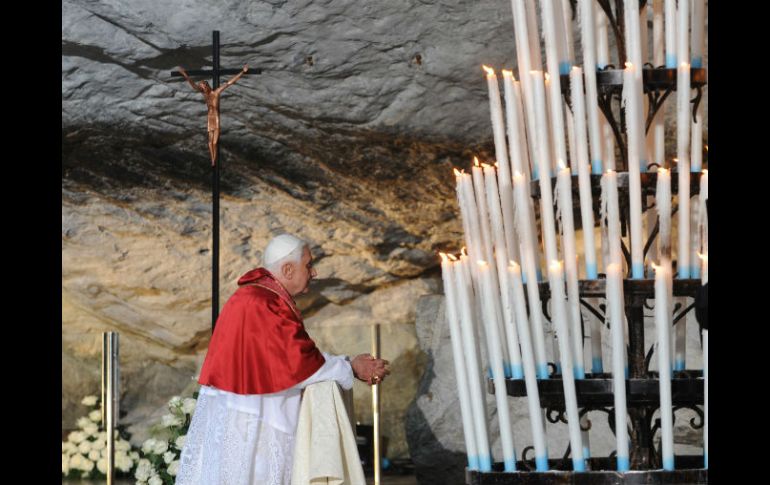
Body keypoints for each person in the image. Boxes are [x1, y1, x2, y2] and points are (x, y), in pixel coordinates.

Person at [176, 234, 390, 485]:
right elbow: (300, 365)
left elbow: (295, 355)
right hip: (258, 420)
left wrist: (346, 362)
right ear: (288, 269)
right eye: (308, 265)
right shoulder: (265, 302)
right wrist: (351, 367)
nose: (314, 272)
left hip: (247, 410)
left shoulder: (258, 295)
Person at [178, 65, 249, 166]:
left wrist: (242, 72)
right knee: (209, 143)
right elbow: (193, 86)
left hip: (215, 118)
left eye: (203, 86)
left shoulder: (216, 93)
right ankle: (212, 160)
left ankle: (214, 159)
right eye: (201, 87)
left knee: (215, 143)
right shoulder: (205, 95)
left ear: (207, 86)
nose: (202, 88)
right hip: (209, 118)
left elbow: (229, 83)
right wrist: (184, 74)